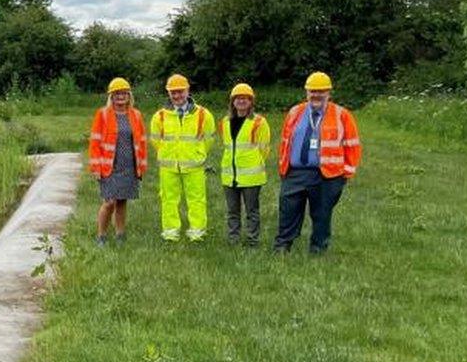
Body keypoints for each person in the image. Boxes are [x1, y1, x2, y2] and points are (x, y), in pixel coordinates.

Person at [274, 72, 361, 254]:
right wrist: (284, 168)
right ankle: (283, 245)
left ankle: (318, 249)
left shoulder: (342, 115)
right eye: (312, 91)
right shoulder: (295, 112)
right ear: (306, 92)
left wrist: (346, 174)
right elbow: (285, 142)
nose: (316, 95)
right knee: (288, 210)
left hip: (327, 175)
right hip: (295, 172)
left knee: (321, 214)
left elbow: (352, 145)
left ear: (329, 93)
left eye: (321, 91)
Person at [150, 74, 216, 242]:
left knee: (196, 200)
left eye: (180, 91)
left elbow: (209, 139)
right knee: (168, 199)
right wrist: (167, 154)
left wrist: (197, 154)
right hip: (168, 166)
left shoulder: (203, 115)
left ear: (188, 91)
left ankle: (197, 232)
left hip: (194, 165)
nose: (177, 95)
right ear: (168, 93)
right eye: (173, 92)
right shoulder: (160, 116)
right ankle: (171, 232)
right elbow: (155, 140)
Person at [88, 77, 147, 246]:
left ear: (129, 96)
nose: (121, 97)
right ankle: (101, 236)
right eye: (117, 94)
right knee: (109, 202)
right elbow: (95, 141)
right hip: (108, 166)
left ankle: (120, 235)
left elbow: (141, 141)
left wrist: (141, 166)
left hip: (129, 165)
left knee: (122, 200)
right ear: (111, 96)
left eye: (124, 93)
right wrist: (95, 167)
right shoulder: (103, 114)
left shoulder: (136, 115)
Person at [219, 83, 271, 246]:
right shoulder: (225, 122)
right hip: (229, 175)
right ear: (232, 101)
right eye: (238, 98)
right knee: (232, 211)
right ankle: (233, 240)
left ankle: (252, 240)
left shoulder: (259, 122)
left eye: (245, 98)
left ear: (251, 101)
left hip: (251, 177)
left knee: (252, 211)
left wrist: (253, 163)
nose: (241, 101)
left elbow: (265, 149)